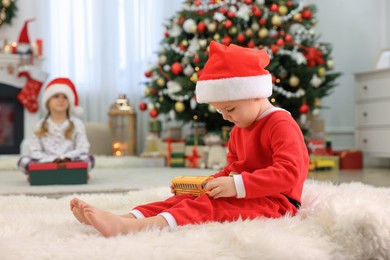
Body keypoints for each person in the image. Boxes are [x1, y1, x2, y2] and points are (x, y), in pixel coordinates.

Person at [70, 41, 309, 237]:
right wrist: (205, 185)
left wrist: (236, 186)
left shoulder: (280, 124)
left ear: (256, 94)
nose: (226, 117)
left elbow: (289, 172)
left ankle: (134, 228)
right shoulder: (239, 127)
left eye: (231, 109)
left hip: (276, 202)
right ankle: (126, 217)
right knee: (190, 198)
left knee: (208, 206)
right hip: (247, 191)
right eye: (221, 111)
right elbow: (233, 169)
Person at [17, 77, 95, 177]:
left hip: (69, 161)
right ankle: (45, 172)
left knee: (89, 159)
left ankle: (73, 171)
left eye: (65, 97)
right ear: (48, 101)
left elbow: (83, 148)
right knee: (24, 161)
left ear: (70, 102)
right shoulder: (40, 125)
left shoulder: (77, 124)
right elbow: (34, 150)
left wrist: (65, 158)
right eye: (56, 96)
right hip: (46, 161)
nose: (60, 100)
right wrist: (51, 160)